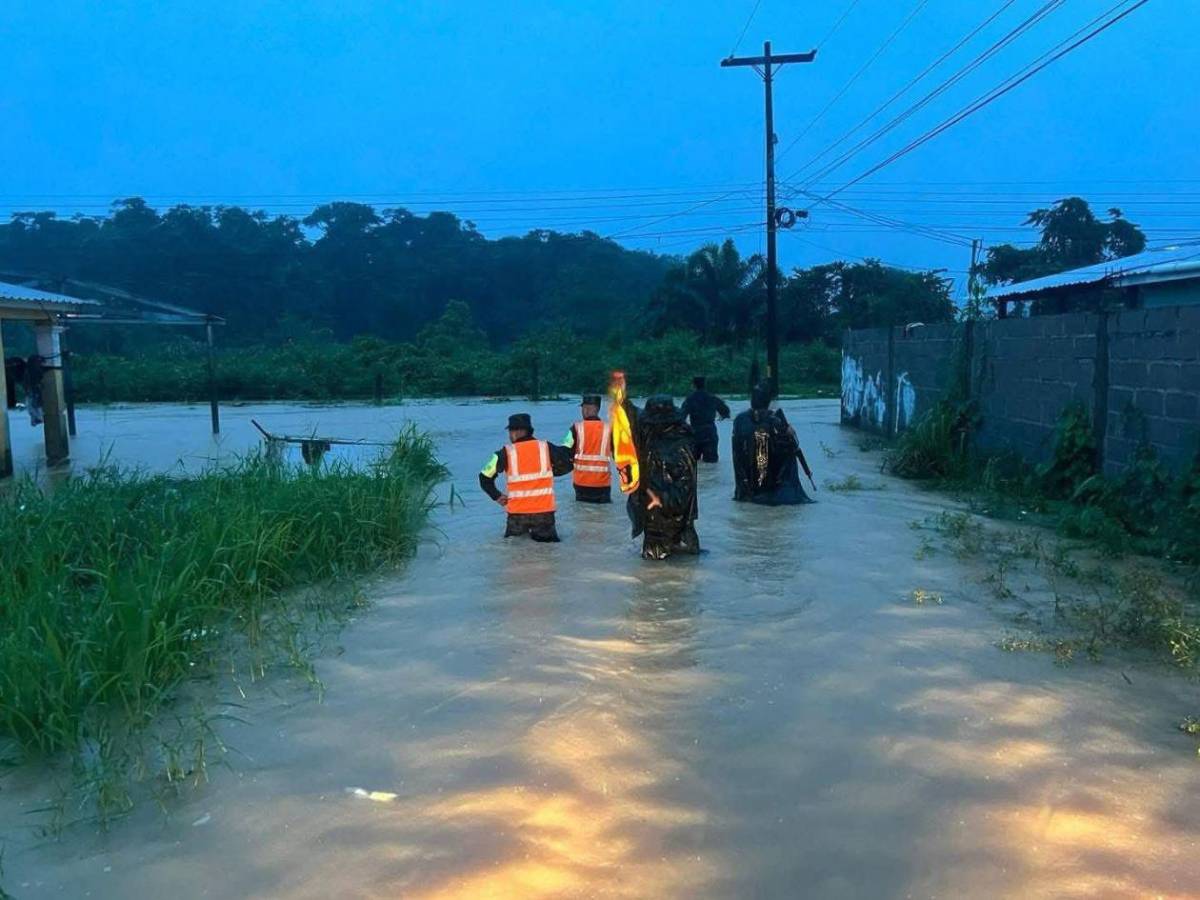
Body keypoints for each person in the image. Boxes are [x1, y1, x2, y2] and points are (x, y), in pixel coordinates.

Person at [621, 393, 700, 560]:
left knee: (654, 573)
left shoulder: (677, 444)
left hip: (661, 520)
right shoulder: (683, 437)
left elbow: (683, 489)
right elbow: (634, 414)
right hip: (673, 520)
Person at [479, 413, 574, 542]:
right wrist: (552, 471)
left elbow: (484, 477)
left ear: (517, 432)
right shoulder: (546, 447)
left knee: (515, 552)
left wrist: (496, 495)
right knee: (549, 554)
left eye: (510, 431)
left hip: (517, 515)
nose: (509, 435)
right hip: (544, 514)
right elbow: (568, 465)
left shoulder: (505, 452)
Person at [732, 383, 816, 506]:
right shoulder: (776, 422)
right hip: (770, 484)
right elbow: (788, 452)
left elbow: (737, 453)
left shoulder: (740, 420)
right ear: (768, 401)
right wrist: (789, 433)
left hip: (747, 482)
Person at [562, 393, 614, 503]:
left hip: (581, 484)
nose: (583, 411)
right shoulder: (609, 429)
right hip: (602, 484)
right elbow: (619, 455)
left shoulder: (575, 428)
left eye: (584, 408)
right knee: (603, 516)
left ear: (586, 409)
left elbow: (565, 450)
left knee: (583, 514)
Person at [680, 376, 730, 463]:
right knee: (711, 464)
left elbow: (681, 417)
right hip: (710, 433)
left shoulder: (690, 399)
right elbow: (726, 412)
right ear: (705, 385)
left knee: (693, 464)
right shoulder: (713, 398)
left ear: (693, 385)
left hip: (695, 433)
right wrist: (721, 417)